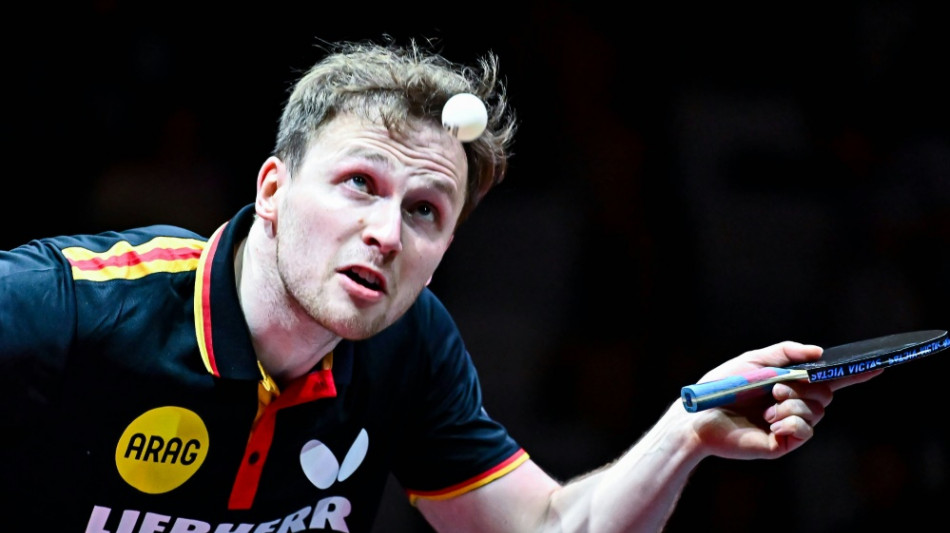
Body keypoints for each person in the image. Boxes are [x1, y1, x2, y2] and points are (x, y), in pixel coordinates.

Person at [0, 37, 880, 533]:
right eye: (360, 184)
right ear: (272, 189)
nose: (387, 232)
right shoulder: (70, 307)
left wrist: (685, 430)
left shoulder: (407, 345)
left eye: (424, 211)